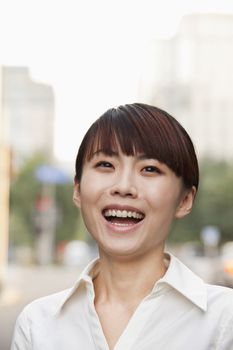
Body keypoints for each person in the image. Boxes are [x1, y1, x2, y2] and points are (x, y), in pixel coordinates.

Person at [11, 103, 233, 350]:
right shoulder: (37, 326)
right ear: (77, 190)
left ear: (184, 200)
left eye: (149, 169)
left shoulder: (223, 321)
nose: (123, 186)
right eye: (105, 165)